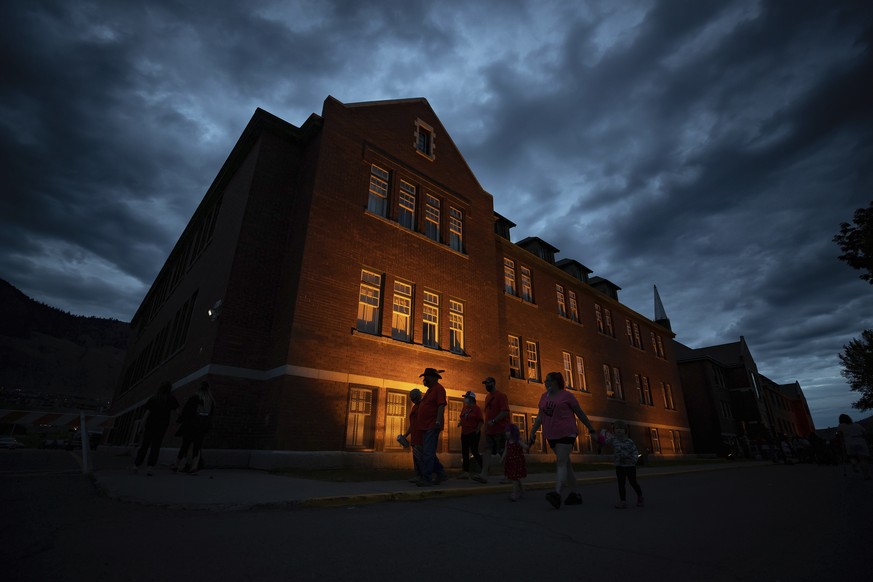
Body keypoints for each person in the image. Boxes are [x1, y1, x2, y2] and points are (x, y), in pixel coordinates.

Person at [528, 371, 596, 509]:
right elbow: (540, 417)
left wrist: (591, 429)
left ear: (554, 382)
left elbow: (579, 413)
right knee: (566, 464)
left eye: (547, 380)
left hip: (567, 432)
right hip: (551, 434)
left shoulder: (567, 396)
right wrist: (533, 431)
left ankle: (557, 494)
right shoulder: (543, 397)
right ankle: (576, 495)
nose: (545, 382)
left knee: (561, 462)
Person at [132, 381, 179, 476]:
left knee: (145, 445)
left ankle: (136, 465)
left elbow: (146, 414)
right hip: (162, 426)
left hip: (150, 425)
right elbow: (178, 411)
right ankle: (150, 468)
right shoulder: (171, 399)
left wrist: (141, 426)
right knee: (156, 446)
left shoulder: (153, 399)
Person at [172, 381, 215, 475]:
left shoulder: (194, 398)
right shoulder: (210, 401)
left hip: (191, 425)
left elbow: (186, 411)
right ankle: (194, 467)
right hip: (202, 426)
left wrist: (180, 419)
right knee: (197, 446)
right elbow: (211, 415)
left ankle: (177, 464)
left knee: (185, 445)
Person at [472, 377, 509, 484]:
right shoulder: (487, 397)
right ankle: (484, 474)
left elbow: (505, 412)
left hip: (500, 429)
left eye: (488, 383)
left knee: (503, 452)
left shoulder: (501, 396)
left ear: (493, 383)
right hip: (490, 430)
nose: (486, 386)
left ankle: (510, 475)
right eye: (485, 384)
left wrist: (494, 420)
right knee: (487, 451)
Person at [415, 368, 448, 487]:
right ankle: (440, 473)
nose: (424, 380)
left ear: (434, 377)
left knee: (428, 452)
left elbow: (441, 406)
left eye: (426, 377)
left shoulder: (439, 389)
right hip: (425, 426)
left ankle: (427, 477)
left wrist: (438, 421)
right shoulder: (429, 391)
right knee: (428, 452)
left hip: (432, 425)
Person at [602, 420, 644, 508]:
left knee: (633, 482)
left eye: (621, 428)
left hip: (630, 466)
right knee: (621, 484)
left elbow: (635, 452)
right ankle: (623, 501)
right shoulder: (613, 439)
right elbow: (604, 442)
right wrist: (602, 433)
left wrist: (633, 460)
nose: (619, 430)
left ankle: (640, 497)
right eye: (617, 428)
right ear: (614, 430)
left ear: (625, 430)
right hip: (619, 466)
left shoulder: (629, 441)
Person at [398, 388, 423, 483]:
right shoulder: (414, 407)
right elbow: (412, 424)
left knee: (420, 457)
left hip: (420, 436)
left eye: (413, 397)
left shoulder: (422, 406)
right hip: (415, 436)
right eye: (411, 398)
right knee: (416, 457)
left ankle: (422, 475)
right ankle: (418, 475)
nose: (412, 399)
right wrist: (405, 435)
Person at [457, 390, 483, 478]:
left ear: (472, 399)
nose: (465, 399)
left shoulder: (476, 409)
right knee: (464, 452)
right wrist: (460, 423)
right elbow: (462, 417)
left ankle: (483, 469)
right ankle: (466, 472)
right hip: (464, 433)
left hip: (473, 432)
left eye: (467, 398)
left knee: (474, 451)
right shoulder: (465, 408)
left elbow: (480, 421)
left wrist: (477, 430)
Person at [837, 413, 871, 480]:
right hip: (860, 440)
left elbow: (840, 436)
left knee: (852, 456)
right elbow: (865, 433)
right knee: (863, 459)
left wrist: (842, 444)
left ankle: (854, 464)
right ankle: (866, 475)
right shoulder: (857, 425)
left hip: (849, 441)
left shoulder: (841, 426)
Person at [501, 423, 528, 501]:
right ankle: (522, 491)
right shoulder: (507, 442)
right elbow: (505, 451)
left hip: (517, 462)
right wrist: (502, 459)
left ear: (513, 432)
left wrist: (527, 445)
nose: (506, 433)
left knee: (514, 479)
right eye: (506, 431)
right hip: (510, 462)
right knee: (517, 478)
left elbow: (525, 446)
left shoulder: (517, 441)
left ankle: (514, 494)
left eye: (508, 431)